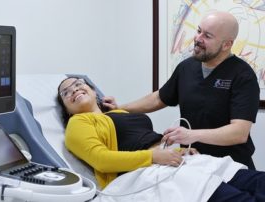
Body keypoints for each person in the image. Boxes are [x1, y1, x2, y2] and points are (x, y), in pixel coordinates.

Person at [57, 76, 265, 201]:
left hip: (177, 163)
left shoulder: (119, 113)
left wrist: (177, 152)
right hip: (148, 175)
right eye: (66, 92)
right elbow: (101, 160)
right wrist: (154, 157)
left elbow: (144, 140)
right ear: (66, 108)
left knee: (258, 182)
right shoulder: (78, 123)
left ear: (94, 91)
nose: (74, 89)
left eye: (78, 84)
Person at [103, 11, 260, 170]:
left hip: (231, 167)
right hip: (193, 162)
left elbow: (239, 133)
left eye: (207, 36)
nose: (198, 39)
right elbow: (159, 98)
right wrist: (121, 108)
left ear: (227, 44)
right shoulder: (187, 67)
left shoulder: (243, 75)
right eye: (198, 31)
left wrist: (191, 135)